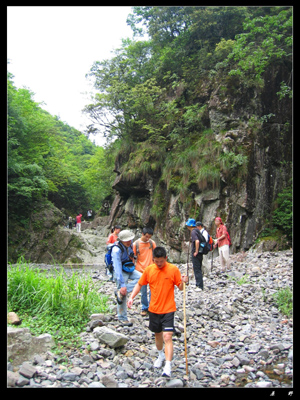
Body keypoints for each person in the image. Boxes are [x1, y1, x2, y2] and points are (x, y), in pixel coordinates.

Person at [128, 247, 189, 378]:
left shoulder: (173, 269)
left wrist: (185, 282)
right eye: (156, 261)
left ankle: (168, 366)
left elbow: (180, 287)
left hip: (168, 309)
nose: (159, 264)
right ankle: (161, 355)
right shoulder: (149, 270)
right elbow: (140, 284)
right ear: (153, 260)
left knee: (167, 336)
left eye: (161, 261)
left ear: (166, 258)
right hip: (154, 309)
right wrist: (131, 297)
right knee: (158, 336)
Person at [112, 230, 142, 327]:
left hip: (127, 267)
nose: (128, 242)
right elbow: (117, 268)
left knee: (142, 278)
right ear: (121, 241)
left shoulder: (130, 244)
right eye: (126, 241)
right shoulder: (116, 250)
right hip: (119, 271)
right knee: (123, 292)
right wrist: (122, 285)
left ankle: (120, 293)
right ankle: (122, 317)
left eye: (129, 239)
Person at [133, 227, 156, 316]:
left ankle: (152, 307)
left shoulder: (152, 243)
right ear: (142, 234)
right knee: (143, 292)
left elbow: (156, 255)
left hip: (151, 269)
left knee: (152, 290)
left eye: (149, 237)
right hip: (140, 271)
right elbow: (133, 257)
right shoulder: (136, 244)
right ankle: (144, 307)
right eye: (146, 236)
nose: (148, 238)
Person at [185, 218, 205, 291]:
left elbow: (197, 241)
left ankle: (199, 286)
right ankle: (198, 284)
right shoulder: (197, 231)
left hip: (196, 254)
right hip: (200, 253)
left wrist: (196, 251)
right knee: (198, 268)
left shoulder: (193, 232)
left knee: (197, 269)